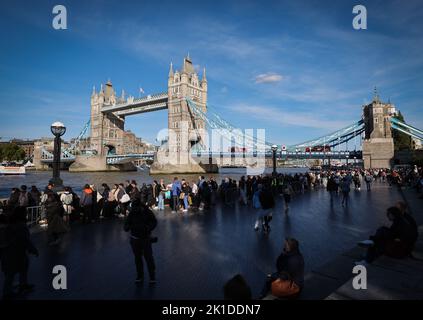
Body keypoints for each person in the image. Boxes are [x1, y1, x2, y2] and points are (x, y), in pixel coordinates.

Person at [0, 208, 39, 300]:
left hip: (8, 251)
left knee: (11, 271)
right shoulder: (21, 226)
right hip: (17, 251)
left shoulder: (10, 224)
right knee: (19, 270)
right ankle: (8, 292)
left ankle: (19, 286)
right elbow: (25, 239)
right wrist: (33, 249)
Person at [123, 199, 157, 284]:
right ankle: (151, 276)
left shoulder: (136, 212)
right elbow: (154, 221)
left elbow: (126, 225)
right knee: (148, 258)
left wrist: (127, 227)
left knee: (139, 258)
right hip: (143, 238)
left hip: (137, 238)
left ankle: (140, 276)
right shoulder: (144, 211)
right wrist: (148, 228)